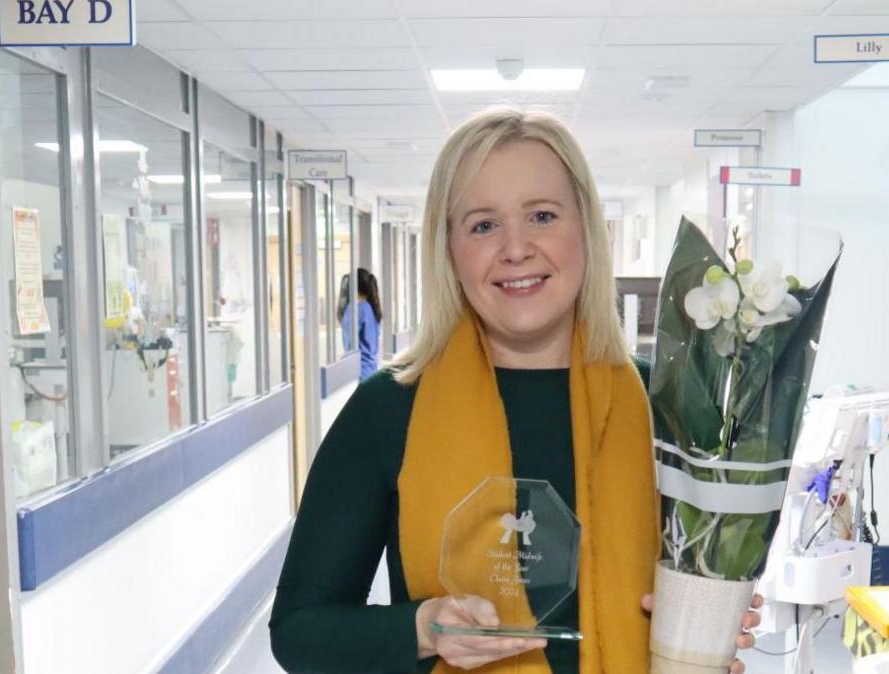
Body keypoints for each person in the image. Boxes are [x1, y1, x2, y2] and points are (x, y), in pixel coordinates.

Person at [270, 107, 761, 673]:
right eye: (482, 224)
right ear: (449, 251)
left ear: (587, 231)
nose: (516, 248)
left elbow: (696, 579)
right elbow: (299, 629)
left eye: (542, 215)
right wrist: (424, 628)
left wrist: (705, 630)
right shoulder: (388, 409)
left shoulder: (665, 409)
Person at [338, 269, 383, 380]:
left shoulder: (356, 309)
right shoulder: (372, 308)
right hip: (371, 370)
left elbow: (349, 343)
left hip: (359, 372)